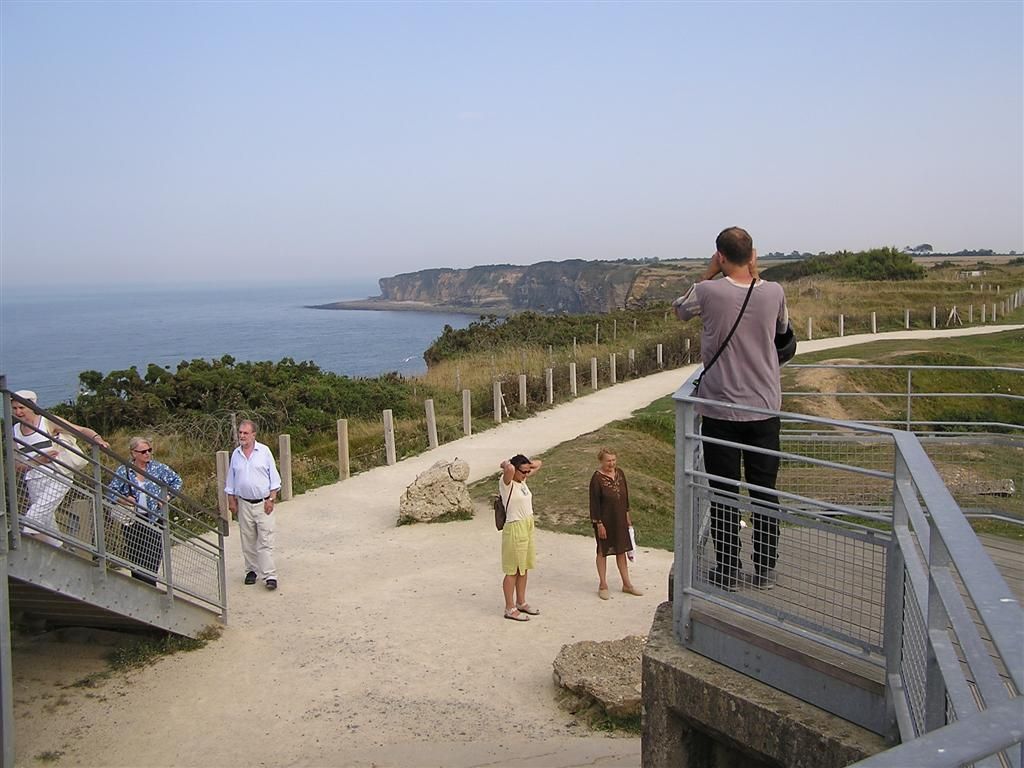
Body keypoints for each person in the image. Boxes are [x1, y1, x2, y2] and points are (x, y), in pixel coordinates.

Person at [673, 227, 789, 592]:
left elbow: (679, 311)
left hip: (721, 411)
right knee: (764, 492)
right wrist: (754, 275)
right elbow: (782, 332)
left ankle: (727, 570)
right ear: (752, 255)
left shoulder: (708, 292)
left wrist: (709, 273)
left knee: (723, 493)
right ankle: (765, 568)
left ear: (719, 255)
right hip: (765, 409)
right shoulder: (774, 292)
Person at [11, 389, 109, 547]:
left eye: (22, 408)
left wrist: (98, 439)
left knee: (33, 518)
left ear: (31, 406)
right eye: (14, 408)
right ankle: (59, 551)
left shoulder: (47, 422)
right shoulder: (14, 432)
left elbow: (80, 430)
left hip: (58, 476)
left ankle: (28, 553)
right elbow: (17, 466)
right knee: (46, 522)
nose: (18, 412)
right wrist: (38, 460)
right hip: (34, 480)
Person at [107, 436, 183, 585]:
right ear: (133, 453)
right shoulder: (124, 471)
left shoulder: (159, 468)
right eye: (143, 452)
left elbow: (177, 481)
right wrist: (124, 500)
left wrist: (166, 497)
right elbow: (111, 491)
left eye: (149, 450)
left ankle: (149, 586)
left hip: (155, 518)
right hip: (133, 521)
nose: (147, 454)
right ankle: (140, 588)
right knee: (136, 557)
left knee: (153, 556)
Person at [225, 420, 282, 590]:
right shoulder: (236, 454)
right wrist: (231, 501)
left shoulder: (264, 452)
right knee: (248, 540)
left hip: (263, 503)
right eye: (240, 433)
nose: (242, 436)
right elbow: (231, 480)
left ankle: (269, 575)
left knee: (265, 539)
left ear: (253, 435)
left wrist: (271, 499)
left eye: (245, 433)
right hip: (244, 503)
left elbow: (274, 478)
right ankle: (251, 570)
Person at [590, 448, 643, 599]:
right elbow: (594, 503)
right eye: (608, 460)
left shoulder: (620, 473)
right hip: (605, 520)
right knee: (603, 551)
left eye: (613, 460)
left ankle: (627, 584)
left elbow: (625, 497)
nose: (611, 463)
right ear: (601, 461)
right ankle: (603, 584)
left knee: (621, 550)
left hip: (620, 518)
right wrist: (599, 523)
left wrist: (627, 516)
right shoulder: (597, 478)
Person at [499, 454, 543, 621]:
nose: (526, 474)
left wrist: (527, 465)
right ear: (515, 469)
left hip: (527, 524)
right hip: (515, 526)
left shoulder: (522, 481)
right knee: (513, 570)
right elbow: (509, 468)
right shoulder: (507, 483)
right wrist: (506, 463)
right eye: (523, 471)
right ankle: (509, 607)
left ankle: (521, 602)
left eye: (527, 471)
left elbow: (539, 464)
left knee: (523, 568)